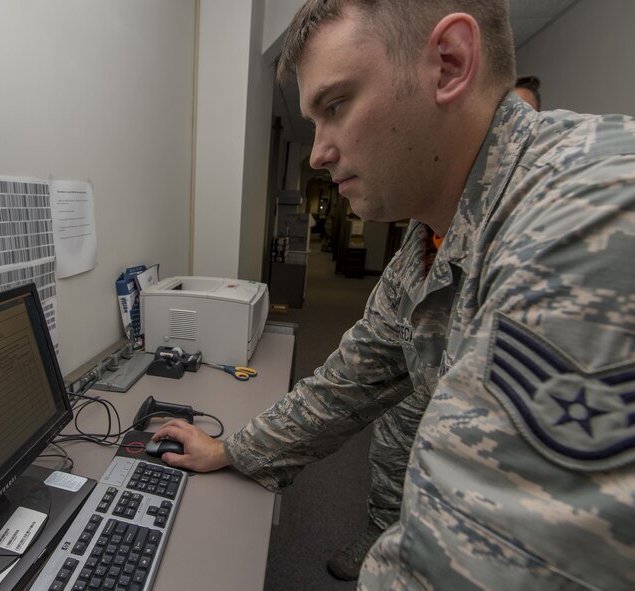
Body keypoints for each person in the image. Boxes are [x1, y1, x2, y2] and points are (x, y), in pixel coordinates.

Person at [154, 0, 635, 588]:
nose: (317, 153)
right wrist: (232, 452)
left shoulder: (584, 219)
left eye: (336, 106)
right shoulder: (428, 237)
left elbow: (474, 564)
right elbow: (350, 381)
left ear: (450, 64)